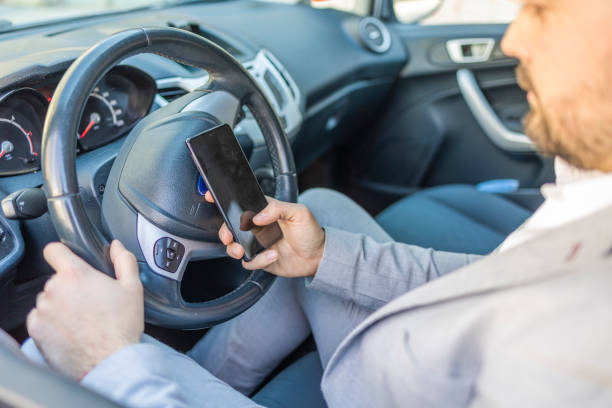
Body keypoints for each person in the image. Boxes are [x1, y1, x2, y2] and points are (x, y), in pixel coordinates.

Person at [21, 0, 612, 406]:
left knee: (27, 360)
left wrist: (111, 361)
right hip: (418, 361)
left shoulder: (581, 354)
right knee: (318, 213)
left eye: (546, 11)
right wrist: (326, 257)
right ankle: (205, 376)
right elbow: (498, 283)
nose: (515, 39)